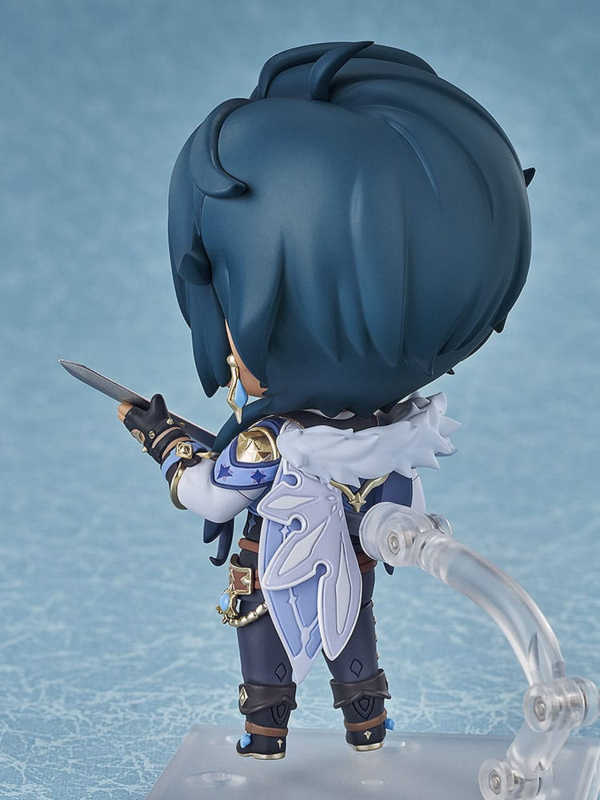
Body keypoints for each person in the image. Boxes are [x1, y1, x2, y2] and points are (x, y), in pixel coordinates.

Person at [117, 41, 533, 760]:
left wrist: (162, 442)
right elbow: (397, 505)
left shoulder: (266, 445)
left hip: (275, 571)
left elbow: (209, 495)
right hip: (356, 569)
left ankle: (270, 737)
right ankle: (364, 726)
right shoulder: (399, 434)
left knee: (267, 657)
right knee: (355, 640)